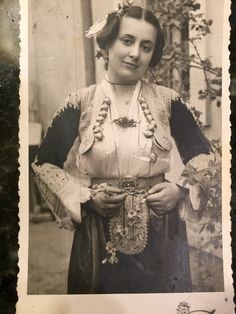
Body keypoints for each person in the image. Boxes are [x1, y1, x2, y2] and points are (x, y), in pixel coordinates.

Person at [32, 3, 213, 294]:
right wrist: (86, 199)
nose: (134, 53)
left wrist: (179, 190)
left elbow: (205, 156)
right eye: (127, 41)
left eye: (146, 46)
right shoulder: (80, 103)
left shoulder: (169, 102)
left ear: (153, 54)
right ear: (107, 43)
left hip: (161, 228)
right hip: (97, 231)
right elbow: (43, 164)